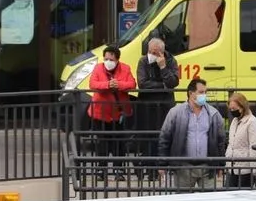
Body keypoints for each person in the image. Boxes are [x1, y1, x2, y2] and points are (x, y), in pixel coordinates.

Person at [158, 78, 227, 191]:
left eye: (205, 92)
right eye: (201, 92)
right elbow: (165, 138)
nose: (204, 95)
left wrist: (221, 165)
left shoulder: (214, 114)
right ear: (191, 93)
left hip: (207, 167)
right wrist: (162, 164)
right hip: (183, 168)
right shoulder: (176, 112)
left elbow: (220, 141)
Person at [87, 46, 136, 179]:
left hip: (118, 114)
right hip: (100, 113)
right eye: (106, 58)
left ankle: (118, 171)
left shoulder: (125, 69)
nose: (108, 61)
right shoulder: (98, 68)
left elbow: (132, 84)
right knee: (102, 143)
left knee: (118, 143)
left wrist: (118, 84)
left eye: (111, 59)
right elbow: (92, 84)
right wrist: (108, 85)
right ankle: (100, 171)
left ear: (117, 59)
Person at [135, 37, 179, 180]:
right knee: (148, 137)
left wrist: (163, 68)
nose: (151, 55)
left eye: (155, 52)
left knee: (164, 136)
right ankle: (148, 168)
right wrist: (162, 86)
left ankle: (160, 168)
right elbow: (142, 84)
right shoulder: (143, 61)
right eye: (150, 51)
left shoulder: (171, 61)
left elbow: (172, 82)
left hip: (165, 106)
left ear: (161, 52)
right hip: (147, 106)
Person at [224, 92, 256, 189]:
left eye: (235, 108)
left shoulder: (252, 122)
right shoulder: (235, 121)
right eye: (231, 109)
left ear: (242, 107)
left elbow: (254, 148)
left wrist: (254, 171)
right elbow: (231, 143)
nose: (232, 111)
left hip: (246, 170)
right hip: (232, 168)